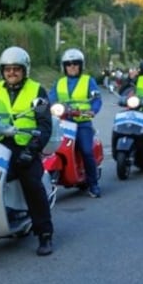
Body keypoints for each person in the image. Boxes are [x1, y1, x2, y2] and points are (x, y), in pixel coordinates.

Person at [0, 46, 54, 256]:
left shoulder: (36, 90)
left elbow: (45, 126)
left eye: (16, 69)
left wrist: (31, 150)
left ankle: (44, 233)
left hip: (26, 146)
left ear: (25, 70)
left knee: (31, 182)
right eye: (7, 69)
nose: (11, 73)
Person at [49, 48, 103, 197]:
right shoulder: (59, 83)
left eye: (75, 64)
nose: (72, 67)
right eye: (68, 64)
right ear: (64, 67)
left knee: (86, 150)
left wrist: (92, 110)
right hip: (62, 123)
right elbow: (51, 98)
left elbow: (97, 99)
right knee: (46, 149)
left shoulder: (88, 81)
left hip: (82, 123)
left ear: (81, 65)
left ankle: (93, 184)